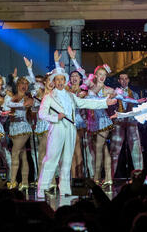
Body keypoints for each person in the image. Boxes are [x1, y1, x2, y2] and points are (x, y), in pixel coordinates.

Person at [36, 67, 117, 198]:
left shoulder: (70, 96)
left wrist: (104, 102)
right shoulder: (48, 97)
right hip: (57, 128)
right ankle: (42, 189)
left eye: (62, 79)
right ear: (54, 81)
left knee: (67, 160)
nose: (60, 82)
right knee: (51, 158)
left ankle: (65, 189)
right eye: (58, 80)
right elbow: (41, 114)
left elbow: (86, 102)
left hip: (70, 129)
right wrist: (56, 117)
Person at [4, 59, 36, 190]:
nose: (24, 85)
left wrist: (29, 69)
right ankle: (24, 182)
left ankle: (12, 182)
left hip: (23, 128)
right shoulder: (11, 96)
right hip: (13, 128)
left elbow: (35, 83)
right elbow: (7, 105)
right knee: (22, 154)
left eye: (26, 83)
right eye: (21, 83)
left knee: (15, 153)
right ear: (17, 85)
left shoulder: (29, 98)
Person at [109, 73, 147, 178]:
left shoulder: (134, 94)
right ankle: (110, 177)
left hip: (131, 123)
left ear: (128, 80)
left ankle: (139, 175)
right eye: (122, 79)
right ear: (119, 81)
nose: (124, 81)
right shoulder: (115, 93)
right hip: (118, 122)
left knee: (136, 148)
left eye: (126, 78)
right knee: (115, 150)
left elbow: (138, 110)